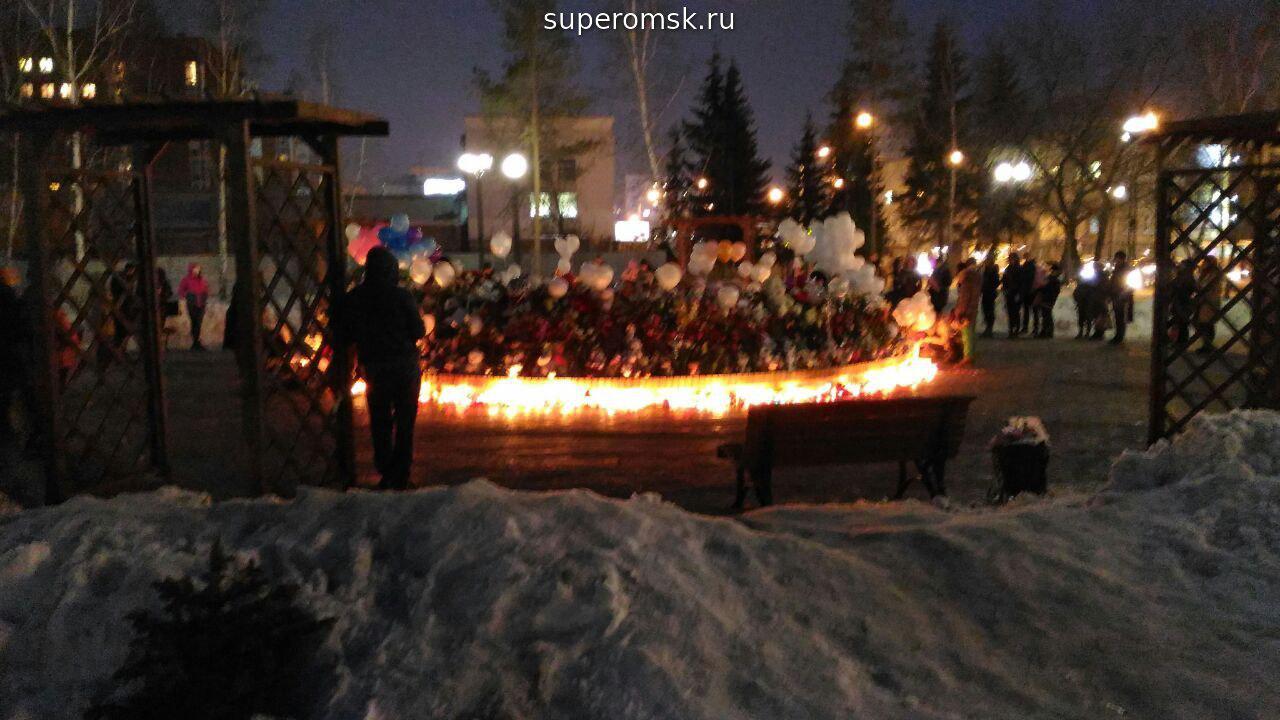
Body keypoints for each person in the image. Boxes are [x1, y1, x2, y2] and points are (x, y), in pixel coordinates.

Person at [334, 247, 426, 490]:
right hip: (405, 366)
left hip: (376, 368)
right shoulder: (402, 297)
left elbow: (345, 333)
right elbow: (418, 331)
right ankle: (401, 474)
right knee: (405, 423)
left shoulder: (356, 299)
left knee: (381, 421)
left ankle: (386, 470)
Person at [951, 258, 981, 363]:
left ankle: (967, 356)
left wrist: (959, 312)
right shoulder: (976, 277)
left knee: (966, 334)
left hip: (966, 310)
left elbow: (964, 297)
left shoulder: (966, 279)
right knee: (971, 332)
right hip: (973, 308)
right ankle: (971, 353)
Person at [177, 263, 210, 350]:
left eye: (198, 269)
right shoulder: (186, 280)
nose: (197, 270)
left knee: (198, 322)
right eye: (195, 268)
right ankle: (196, 342)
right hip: (192, 304)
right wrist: (188, 295)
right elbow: (181, 291)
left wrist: (205, 296)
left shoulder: (202, 279)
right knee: (194, 322)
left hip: (201, 304)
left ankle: (196, 342)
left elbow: (206, 289)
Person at [1195, 256, 1224, 355]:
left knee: (1206, 324)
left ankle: (1207, 345)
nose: (1203, 264)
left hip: (1209, 302)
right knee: (1204, 324)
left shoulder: (1213, 275)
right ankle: (1206, 344)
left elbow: (1208, 287)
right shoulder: (1206, 274)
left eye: (1205, 262)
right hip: (1205, 302)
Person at [1169, 259, 1196, 348]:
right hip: (1181, 303)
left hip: (1182, 303)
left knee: (1181, 323)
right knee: (1180, 323)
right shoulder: (1185, 276)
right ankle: (1179, 341)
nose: (1180, 266)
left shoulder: (1186, 277)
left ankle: (1181, 342)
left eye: (1182, 265)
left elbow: (1182, 288)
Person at [1107, 251, 1133, 345]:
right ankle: (1118, 335)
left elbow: (1129, 285)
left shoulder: (1126, 270)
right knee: (1118, 317)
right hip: (1116, 295)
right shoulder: (1118, 269)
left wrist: (1123, 294)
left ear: (1121, 259)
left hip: (1122, 297)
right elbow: (1113, 282)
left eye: (1117, 259)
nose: (1116, 261)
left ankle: (1119, 337)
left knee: (1120, 317)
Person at [1035, 264, 1063, 338]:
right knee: (1046, 315)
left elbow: (1047, 289)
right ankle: (1047, 331)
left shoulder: (1052, 279)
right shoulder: (1053, 280)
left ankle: (1047, 331)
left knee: (1046, 315)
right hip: (1048, 299)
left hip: (1047, 299)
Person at [1002, 252, 1024, 338]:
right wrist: (1005, 289)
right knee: (1010, 312)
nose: (1010, 260)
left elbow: (1021, 283)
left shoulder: (1019, 269)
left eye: (1012, 259)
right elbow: (1005, 280)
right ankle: (1011, 329)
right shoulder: (1008, 269)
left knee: (1015, 312)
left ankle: (1016, 330)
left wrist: (1019, 293)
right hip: (1009, 293)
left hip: (1015, 293)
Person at [980, 256, 1000, 338]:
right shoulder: (986, 271)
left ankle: (989, 329)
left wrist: (988, 286)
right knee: (986, 310)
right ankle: (988, 328)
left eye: (986, 261)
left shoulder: (992, 272)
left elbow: (995, 282)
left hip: (990, 293)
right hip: (986, 292)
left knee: (989, 310)